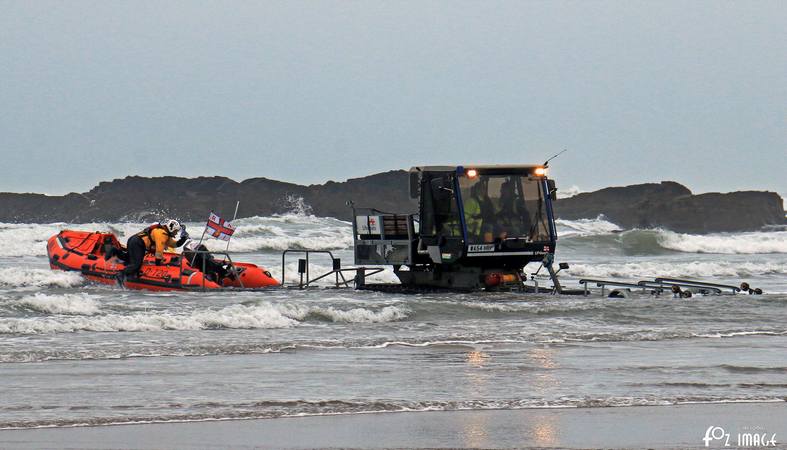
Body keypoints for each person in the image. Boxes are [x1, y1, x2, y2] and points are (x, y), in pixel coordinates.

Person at [121, 219, 189, 281]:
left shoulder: (165, 233)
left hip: (136, 242)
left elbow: (175, 244)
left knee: (131, 260)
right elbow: (159, 253)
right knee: (136, 265)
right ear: (171, 229)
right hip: (137, 243)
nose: (176, 233)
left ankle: (116, 253)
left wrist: (183, 239)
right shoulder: (162, 234)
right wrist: (158, 266)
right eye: (175, 231)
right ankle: (120, 276)